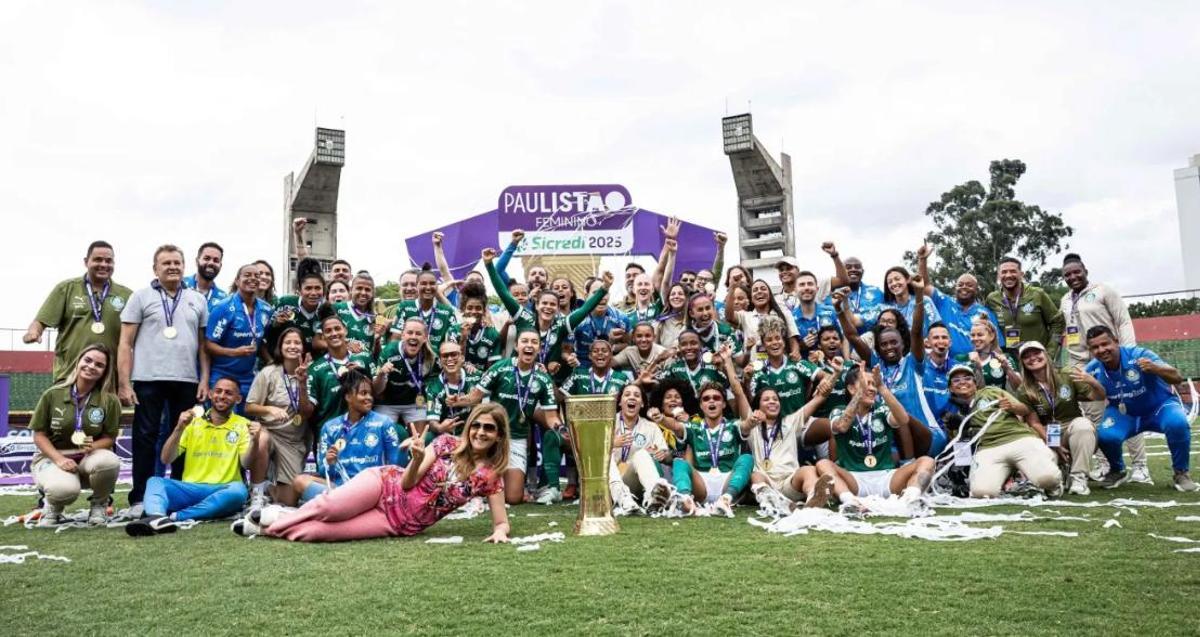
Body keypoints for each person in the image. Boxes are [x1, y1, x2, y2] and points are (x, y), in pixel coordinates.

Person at [243, 404, 511, 543]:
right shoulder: (445, 444)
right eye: (476, 425)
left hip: (398, 523)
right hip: (384, 484)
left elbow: (501, 521)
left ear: (498, 436)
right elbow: (408, 483)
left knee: (317, 534)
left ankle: (267, 527)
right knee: (329, 508)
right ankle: (273, 520)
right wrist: (416, 461)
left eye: (488, 428)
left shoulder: (489, 477)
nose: (480, 432)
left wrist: (500, 532)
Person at [118, 244, 211, 513]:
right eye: (166, 263)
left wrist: (204, 379)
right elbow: (125, 342)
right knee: (145, 436)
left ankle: (178, 491)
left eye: (177, 263)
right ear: (155, 268)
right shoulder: (141, 297)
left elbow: (203, 345)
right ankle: (139, 497)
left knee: (184, 436)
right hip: (149, 377)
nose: (172, 267)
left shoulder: (197, 299)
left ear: (184, 267)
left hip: (186, 379)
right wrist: (124, 382)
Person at [125, 377, 268, 535]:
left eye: (228, 393)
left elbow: (246, 464)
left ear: (238, 399)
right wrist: (179, 428)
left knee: (239, 491)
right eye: (218, 391)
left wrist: (254, 441)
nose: (222, 396)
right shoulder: (193, 422)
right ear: (210, 394)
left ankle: (174, 517)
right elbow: (166, 459)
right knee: (155, 482)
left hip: (223, 489)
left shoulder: (242, 425)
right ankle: (156, 516)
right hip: (190, 489)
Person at [1059, 253, 1149, 484]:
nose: (1073, 277)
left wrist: (1128, 353)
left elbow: (1123, 320)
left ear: (1085, 271)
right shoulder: (1065, 300)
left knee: (1126, 409)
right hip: (1082, 362)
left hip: (1111, 358)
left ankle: (1140, 467)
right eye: (1067, 274)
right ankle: (1106, 465)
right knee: (1091, 414)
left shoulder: (1103, 291)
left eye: (1076, 272)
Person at [839, 277, 946, 456]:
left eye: (893, 343)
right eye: (884, 344)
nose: (889, 347)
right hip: (895, 442)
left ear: (903, 345)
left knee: (898, 412)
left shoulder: (913, 362)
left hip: (926, 437)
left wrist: (919, 294)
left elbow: (917, 330)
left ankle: (912, 464)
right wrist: (839, 309)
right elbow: (852, 336)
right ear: (878, 348)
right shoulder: (876, 367)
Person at [1084, 326, 1197, 492]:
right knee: (1104, 435)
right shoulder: (1092, 368)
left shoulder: (1139, 355)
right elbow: (1079, 393)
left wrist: (1156, 368)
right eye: (1095, 347)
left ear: (1116, 341)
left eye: (1105, 344)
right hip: (1126, 414)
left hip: (1159, 408)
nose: (1101, 350)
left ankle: (1181, 473)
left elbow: (1177, 377)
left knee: (1178, 423)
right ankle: (1117, 470)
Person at [816, 364, 936, 516]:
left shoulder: (881, 409)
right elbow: (842, 426)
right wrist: (859, 395)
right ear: (851, 388)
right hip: (854, 478)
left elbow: (903, 419)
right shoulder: (838, 410)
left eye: (874, 384)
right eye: (867, 383)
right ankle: (850, 502)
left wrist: (883, 388)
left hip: (886, 477)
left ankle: (910, 501)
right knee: (823, 464)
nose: (872, 389)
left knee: (927, 461)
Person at [465, 330, 563, 505]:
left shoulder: (543, 378)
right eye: (524, 341)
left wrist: (561, 429)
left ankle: (498, 482)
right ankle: (484, 478)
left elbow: (551, 417)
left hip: (517, 438)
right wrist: (458, 401)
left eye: (534, 342)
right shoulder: (499, 368)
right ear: (517, 346)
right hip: (493, 437)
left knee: (513, 498)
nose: (529, 345)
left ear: (539, 349)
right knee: (475, 490)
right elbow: (474, 397)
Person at [29, 344, 122, 526]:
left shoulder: (110, 400)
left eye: (99, 364)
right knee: (63, 490)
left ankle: (99, 504)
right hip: (54, 457)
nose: (91, 366)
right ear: (78, 362)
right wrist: (59, 459)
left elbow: (110, 438)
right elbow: (39, 435)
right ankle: (53, 506)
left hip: (89, 458)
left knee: (109, 461)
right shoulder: (52, 395)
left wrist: (92, 447)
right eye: (87, 360)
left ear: (105, 371)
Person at [484, 247, 612, 380]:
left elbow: (585, 309)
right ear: (537, 305)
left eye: (552, 304)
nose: (548, 307)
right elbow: (503, 294)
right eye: (544, 303)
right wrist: (489, 265)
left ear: (557, 309)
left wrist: (604, 289)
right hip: (516, 377)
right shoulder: (524, 318)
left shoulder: (561, 324)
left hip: (544, 379)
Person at [939, 364, 1062, 498]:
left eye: (967, 378)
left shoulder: (991, 392)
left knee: (1048, 478)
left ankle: (1049, 467)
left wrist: (1012, 407)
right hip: (988, 448)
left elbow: (1025, 409)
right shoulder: (950, 410)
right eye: (956, 380)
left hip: (1018, 439)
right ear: (950, 387)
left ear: (975, 383)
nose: (962, 382)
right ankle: (1010, 477)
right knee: (982, 493)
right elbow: (960, 446)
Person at [730, 369, 837, 516]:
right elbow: (738, 392)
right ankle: (772, 501)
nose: (772, 402)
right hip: (765, 480)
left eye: (775, 399)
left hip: (789, 482)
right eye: (766, 399)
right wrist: (728, 362)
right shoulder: (752, 423)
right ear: (757, 406)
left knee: (808, 470)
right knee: (755, 475)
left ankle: (813, 499)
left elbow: (820, 397)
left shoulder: (791, 422)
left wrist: (836, 373)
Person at [25, 240, 133, 386]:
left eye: (109, 261)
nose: (104, 264)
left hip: (108, 378)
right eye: (98, 260)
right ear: (86, 261)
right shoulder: (66, 289)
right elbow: (40, 321)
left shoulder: (126, 295)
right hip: (69, 374)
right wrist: (34, 332)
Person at [293, 368, 402, 503]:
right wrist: (329, 462)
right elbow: (323, 471)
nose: (369, 398)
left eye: (370, 394)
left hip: (370, 490)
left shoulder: (384, 423)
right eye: (363, 393)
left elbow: (395, 466)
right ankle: (342, 506)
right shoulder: (330, 427)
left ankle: (337, 508)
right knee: (300, 481)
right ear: (348, 397)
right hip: (340, 488)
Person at [1015, 341, 1105, 496]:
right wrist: (1054, 444)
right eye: (1027, 356)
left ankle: (1079, 478)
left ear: (1046, 355)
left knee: (1083, 425)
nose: (1032, 358)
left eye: (1036, 353)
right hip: (1046, 432)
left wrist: (1092, 381)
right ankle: (1062, 470)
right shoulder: (1024, 389)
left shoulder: (1067, 373)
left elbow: (1098, 396)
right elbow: (1034, 422)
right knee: (1048, 474)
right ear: (1022, 363)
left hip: (1072, 426)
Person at [659, 371, 753, 517]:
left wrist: (751, 422)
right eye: (706, 399)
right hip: (702, 483)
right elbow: (677, 426)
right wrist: (661, 419)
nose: (711, 401)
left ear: (723, 404)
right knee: (679, 462)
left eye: (716, 398)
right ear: (701, 405)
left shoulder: (733, 426)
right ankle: (686, 499)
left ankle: (726, 500)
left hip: (727, 480)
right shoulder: (694, 427)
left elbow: (745, 425)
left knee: (746, 458)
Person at [245, 327, 311, 506]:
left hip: (293, 439)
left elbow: (307, 413)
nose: (292, 346)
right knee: (262, 438)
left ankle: (269, 488)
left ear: (303, 347)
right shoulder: (269, 372)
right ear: (280, 346)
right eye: (287, 342)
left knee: (288, 501)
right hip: (270, 431)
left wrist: (303, 383)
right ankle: (256, 494)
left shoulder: (311, 373)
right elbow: (249, 407)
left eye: (297, 342)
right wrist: (269, 410)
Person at [916, 244, 999, 358]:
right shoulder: (945, 301)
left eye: (969, 285)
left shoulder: (986, 313)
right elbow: (924, 286)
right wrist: (922, 259)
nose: (964, 287)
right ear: (955, 288)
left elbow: (996, 345)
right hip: (946, 365)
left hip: (977, 365)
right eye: (960, 285)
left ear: (976, 290)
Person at [205, 264, 271, 403]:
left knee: (245, 422)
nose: (252, 278)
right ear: (237, 280)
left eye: (256, 276)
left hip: (248, 377)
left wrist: (271, 362)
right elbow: (208, 345)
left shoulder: (266, 309)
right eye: (247, 275)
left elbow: (262, 342)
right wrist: (234, 352)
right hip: (222, 375)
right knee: (221, 421)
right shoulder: (223, 308)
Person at [607, 383, 674, 516]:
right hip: (608, 484)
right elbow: (591, 454)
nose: (632, 398)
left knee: (641, 454)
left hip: (633, 482)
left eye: (637, 395)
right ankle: (622, 499)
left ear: (642, 404)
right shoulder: (607, 423)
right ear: (620, 402)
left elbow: (667, 456)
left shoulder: (651, 427)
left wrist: (664, 455)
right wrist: (612, 444)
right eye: (627, 395)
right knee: (604, 455)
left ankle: (654, 498)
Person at [303, 311, 375, 431]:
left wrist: (363, 376)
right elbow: (306, 412)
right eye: (328, 331)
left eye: (337, 328)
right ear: (323, 337)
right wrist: (301, 383)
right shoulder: (315, 369)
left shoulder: (364, 358)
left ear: (345, 330)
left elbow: (378, 394)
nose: (334, 333)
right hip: (331, 434)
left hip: (363, 432)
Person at [985, 257, 1064, 360]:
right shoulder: (992, 299)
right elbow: (987, 328)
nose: (1008, 275)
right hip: (1008, 362)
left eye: (1013, 271)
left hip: (1037, 360)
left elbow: (1057, 322)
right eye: (1004, 272)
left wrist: (1050, 352)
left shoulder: (1037, 294)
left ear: (1021, 274)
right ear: (999, 276)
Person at [746, 316, 820, 417]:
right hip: (773, 428)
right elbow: (752, 403)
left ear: (784, 342)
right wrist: (747, 382)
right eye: (769, 340)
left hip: (800, 424)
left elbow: (825, 376)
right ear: (763, 345)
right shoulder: (758, 372)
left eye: (778, 338)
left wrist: (820, 388)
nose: (774, 343)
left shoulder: (797, 364)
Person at [375, 317, 437, 429]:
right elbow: (377, 390)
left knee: (420, 437)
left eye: (418, 334)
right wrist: (381, 374)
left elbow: (435, 386)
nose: (413, 337)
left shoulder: (431, 356)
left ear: (425, 338)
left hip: (415, 403)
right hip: (388, 403)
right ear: (403, 335)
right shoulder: (389, 352)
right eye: (410, 333)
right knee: (383, 433)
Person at [390, 268, 460, 356]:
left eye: (412, 284)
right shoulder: (401, 308)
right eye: (405, 284)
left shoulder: (446, 311)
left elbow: (453, 343)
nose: (409, 288)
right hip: (408, 363)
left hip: (436, 365)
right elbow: (394, 341)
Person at [727, 279, 801, 361]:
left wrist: (795, 353)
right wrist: (731, 289)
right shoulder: (745, 317)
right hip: (755, 369)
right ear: (751, 298)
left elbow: (793, 339)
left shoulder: (784, 314)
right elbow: (729, 316)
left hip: (780, 368)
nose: (759, 292)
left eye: (763, 288)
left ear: (770, 295)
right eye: (755, 290)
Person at [820, 242, 884, 333]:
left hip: (871, 343)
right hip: (841, 345)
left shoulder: (877, 293)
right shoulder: (831, 296)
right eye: (848, 267)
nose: (853, 269)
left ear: (863, 271)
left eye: (857, 267)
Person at [424, 339, 481, 435]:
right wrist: (440, 428)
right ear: (440, 361)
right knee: (428, 437)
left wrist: (465, 401)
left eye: (454, 354)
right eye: (445, 356)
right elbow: (432, 422)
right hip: (447, 435)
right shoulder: (432, 388)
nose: (450, 359)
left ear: (462, 358)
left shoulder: (476, 377)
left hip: (474, 432)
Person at [573, 279, 632, 369]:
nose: (601, 296)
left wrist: (613, 345)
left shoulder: (621, 318)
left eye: (605, 292)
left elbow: (630, 344)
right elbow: (566, 349)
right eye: (596, 293)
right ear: (586, 296)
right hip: (583, 370)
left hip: (611, 370)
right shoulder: (575, 318)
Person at [270, 258, 326, 352]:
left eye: (317, 288)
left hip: (317, 362)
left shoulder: (327, 310)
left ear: (323, 289)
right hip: (286, 360)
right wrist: (275, 324)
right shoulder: (285, 303)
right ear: (299, 290)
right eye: (308, 288)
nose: (313, 293)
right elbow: (268, 335)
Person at [654, 330, 731, 399]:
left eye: (693, 343)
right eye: (684, 344)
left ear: (701, 345)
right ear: (679, 347)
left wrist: (724, 367)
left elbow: (729, 385)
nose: (689, 347)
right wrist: (656, 362)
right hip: (685, 413)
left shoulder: (713, 366)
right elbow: (657, 386)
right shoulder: (674, 369)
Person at [455, 281, 503, 373]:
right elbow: (452, 362)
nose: (473, 312)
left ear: (484, 311)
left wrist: (477, 373)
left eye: (478, 308)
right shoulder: (453, 330)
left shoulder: (493, 334)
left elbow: (493, 370)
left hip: (481, 382)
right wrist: (463, 338)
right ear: (463, 309)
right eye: (469, 308)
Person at [790, 271, 840, 356]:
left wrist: (847, 360)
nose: (806, 288)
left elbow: (843, 339)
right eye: (802, 285)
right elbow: (787, 349)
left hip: (831, 365)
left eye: (810, 284)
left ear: (817, 289)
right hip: (803, 366)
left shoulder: (831, 312)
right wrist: (801, 345)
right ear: (795, 291)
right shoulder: (790, 318)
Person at [960, 320, 1021, 389]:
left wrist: (1007, 369)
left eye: (980, 335)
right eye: (972, 335)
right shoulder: (961, 359)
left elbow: (1019, 388)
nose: (975, 338)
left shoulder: (1004, 358)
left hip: (1000, 399)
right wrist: (977, 368)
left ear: (992, 336)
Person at [562, 339, 634, 397]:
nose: (600, 353)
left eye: (604, 351)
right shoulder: (578, 375)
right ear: (590, 356)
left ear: (611, 355)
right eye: (595, 351)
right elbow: (560, 397)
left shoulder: (622, 378)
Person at [333, 272, 382, 353]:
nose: (363, 293)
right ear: (351, 289)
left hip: (364, 365)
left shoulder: (376, 318)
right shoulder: (337, 308)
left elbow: (375, 355)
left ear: (372, 293)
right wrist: (345, 343)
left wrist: (377, 341)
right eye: (359, 288)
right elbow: (320, 341)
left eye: (367, 290)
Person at [182, 242, 228, 308]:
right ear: (197, 261)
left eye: (216, 260)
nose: (211, 263)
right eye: (207, 258)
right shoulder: (179, 285)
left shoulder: (224, 300)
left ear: (220, 266)